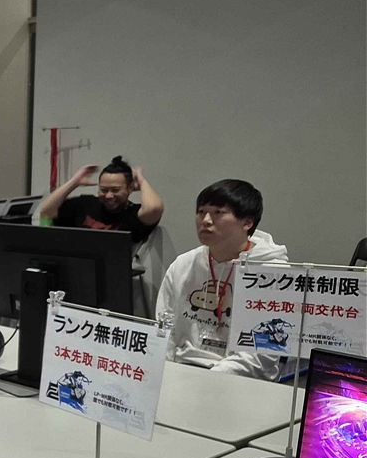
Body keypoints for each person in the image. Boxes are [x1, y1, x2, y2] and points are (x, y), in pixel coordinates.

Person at [156, 179, 289, 380]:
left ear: (247, 222)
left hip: (241, 379)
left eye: (218, 212)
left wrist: (206, 380)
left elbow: (262, 356)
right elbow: (164, 329)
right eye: (201, 212)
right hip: (182, 371)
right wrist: (165, 374)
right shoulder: (183, 264)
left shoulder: (273, 274)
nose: (206, 220)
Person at [37, 156, 164, 244]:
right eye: (103, 190)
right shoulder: (85, 204)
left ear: (130, 188)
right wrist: (75, 181)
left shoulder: (133, 214)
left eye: (115, 190)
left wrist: (141, 180)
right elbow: (46, 210)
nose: (109, 196)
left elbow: (154, 208)